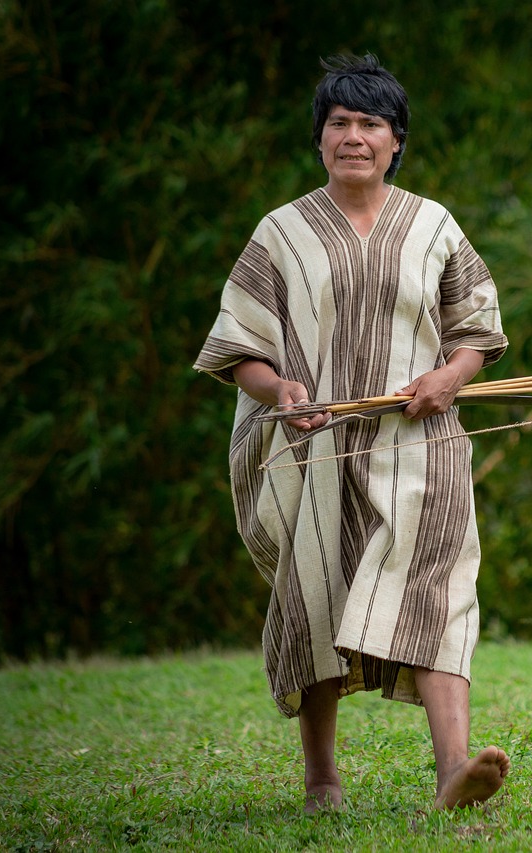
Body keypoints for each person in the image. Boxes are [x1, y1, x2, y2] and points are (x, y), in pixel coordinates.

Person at [194, 54, 510, 813]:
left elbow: (476, 328)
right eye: (339, 123)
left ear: (396, 140)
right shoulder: (281, 233)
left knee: (437, 593)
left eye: (370, 124)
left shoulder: (433, 224)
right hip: (317, 445)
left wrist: (448, 378)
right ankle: (321, 779)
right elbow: (242, 346)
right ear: (320, 138)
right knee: (317, 599)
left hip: (421, 442)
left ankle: (453, 771)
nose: (354, 136)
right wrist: (282, 390)